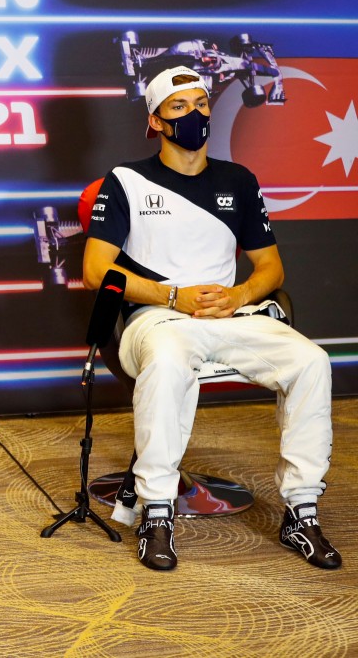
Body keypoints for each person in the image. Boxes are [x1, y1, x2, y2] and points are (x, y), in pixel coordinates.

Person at [83, 66, 339, 572]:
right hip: (154, 320)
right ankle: (157, 511)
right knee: (169, 359)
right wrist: (172, 296)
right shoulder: (126, 180)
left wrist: (239, 292)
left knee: (311, 361)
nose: (195, 114)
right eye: (179, 107)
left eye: (201, 103)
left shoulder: (238, 179)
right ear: (155, 121)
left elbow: (270, 268)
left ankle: (302, 510)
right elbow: (95, 271)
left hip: (230, 315)